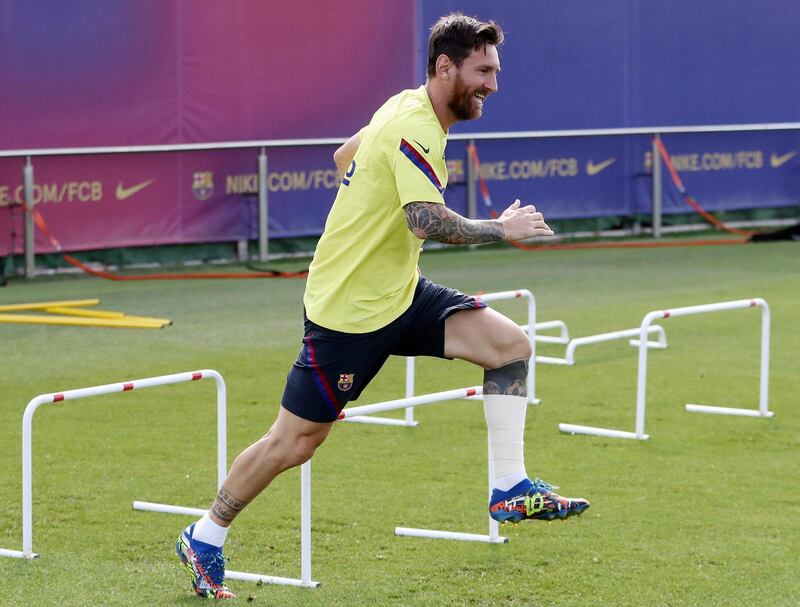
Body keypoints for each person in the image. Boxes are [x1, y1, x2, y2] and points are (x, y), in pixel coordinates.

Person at [176, 13, 589, 600]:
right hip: (348, 313)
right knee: (293, 443)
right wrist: (503, 227)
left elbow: (343, 157)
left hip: (399, 292)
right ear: (446, 67)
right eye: (484, 70)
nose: (493, 84)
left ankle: (509, 486)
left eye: (495, 71)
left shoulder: (405, 107)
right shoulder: (415, 125)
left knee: (510, 348)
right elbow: (425, 218)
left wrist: (364, 206)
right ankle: (205, 535)